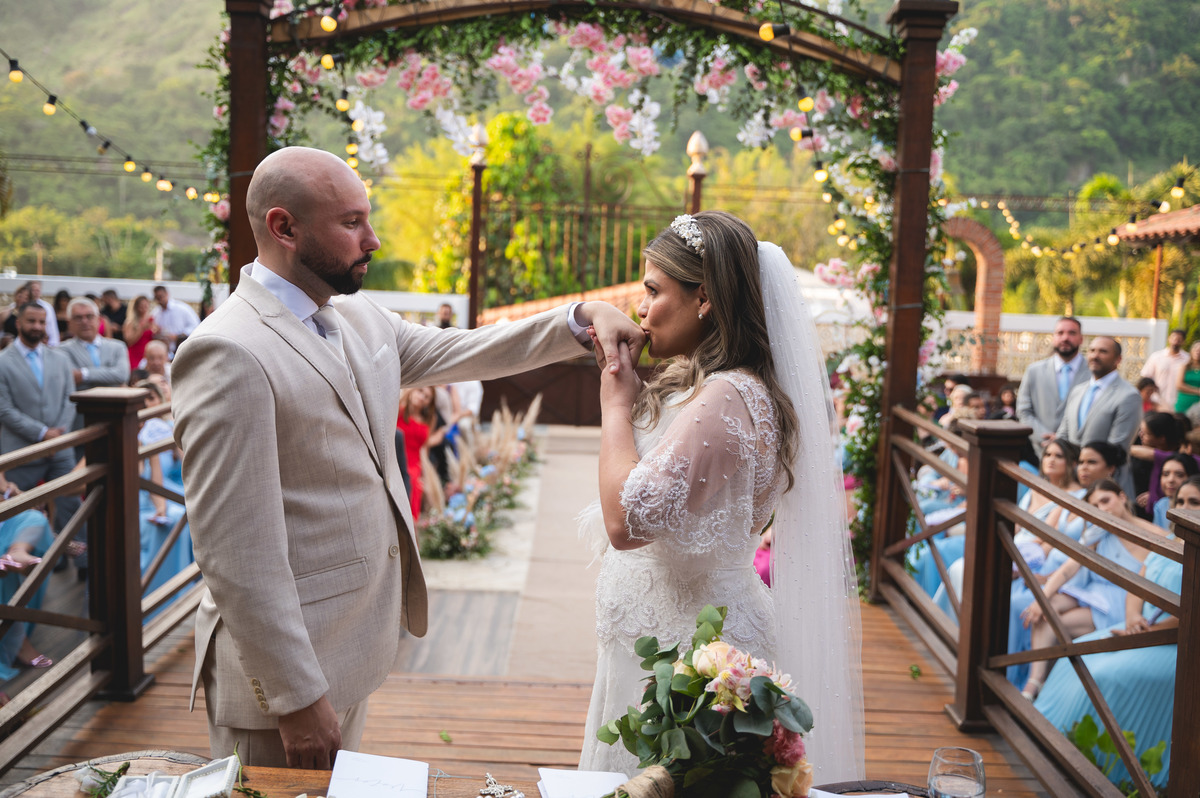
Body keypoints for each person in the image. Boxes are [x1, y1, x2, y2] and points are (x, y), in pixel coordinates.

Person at [171, 145, 644, 769]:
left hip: (350, 647)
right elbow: (235, 550)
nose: (372, 239)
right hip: (280, 682)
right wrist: (295, 696)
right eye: (351, 223)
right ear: (284, 228)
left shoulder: (357, 315)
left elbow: (467, 349)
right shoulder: (227, 351)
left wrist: (579, 318)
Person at [577, 211, 863, 780]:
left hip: (688, 657)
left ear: (704, 298)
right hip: (672, 638)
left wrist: (615, 405)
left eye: (654, 290)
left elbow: (624, 522)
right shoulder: (728, 388)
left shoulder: (728, 395)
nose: (641, 307)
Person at [1018, 480, 1162, 700]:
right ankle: (1036, 681)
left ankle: (1037, 684)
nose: (1101, 509)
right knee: (1046, 606)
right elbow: (1069, 568)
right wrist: (1041, 599)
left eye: (1106, 501)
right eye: (1094, 506)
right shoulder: (1099, 531)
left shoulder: (1155, 534)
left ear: (1122, 497)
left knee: (1049, 621)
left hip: (1121, 599)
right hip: (1092, 590)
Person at [0, 303, 81, 537]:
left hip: (60, 449)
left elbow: (70, 399)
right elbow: (4, 408)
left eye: (42, 322)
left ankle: (77, 553)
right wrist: (42, 433)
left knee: (72, 509)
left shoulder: (60, 358)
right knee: (18, 514)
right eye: (31, 321)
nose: (37, 326)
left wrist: (57, 435)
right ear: (18, 323)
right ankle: (25, 558)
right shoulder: (3, 361)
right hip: (21, 452)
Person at [1056, 336, 1143, 497]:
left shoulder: (1129, 395)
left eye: (1103, 351)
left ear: (1118, 359)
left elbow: (1117, 448)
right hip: (1071, 485)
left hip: (1108, 489)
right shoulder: (1077, 391)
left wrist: (1085, 466)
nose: (1095, 355)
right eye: (1092, 350)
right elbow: (1063, 435)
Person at [1017, 317, 1087, 460]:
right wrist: (1045, 437)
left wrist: (1064, 439)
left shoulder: (1093, 374)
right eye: (1060, 333)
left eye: (1072, 333)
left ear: (1081, 339)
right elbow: (1024, 411)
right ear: (1053, 337)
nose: (1065, 338)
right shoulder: (1034, 371)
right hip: (1040, 452)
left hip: (1080, 454)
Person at [60, 298, 131, 393]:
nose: (84, 322)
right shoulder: (62, 350)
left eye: (89, 316)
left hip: (114, 401)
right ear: (69, 323)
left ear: (98, 320)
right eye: (78, 318)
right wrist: (110, 375)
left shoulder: (118, 347)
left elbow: (122, 375)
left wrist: (84, 374)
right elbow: (71, 378)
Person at [395, 386, 442, 519]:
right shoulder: (398, 410)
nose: (422, 397)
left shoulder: (429, 419)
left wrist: (424, 473)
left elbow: (424, 448)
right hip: (397, 461)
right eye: (420, 391)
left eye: (427, 397)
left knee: (415, 488)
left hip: (415, 465)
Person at [1141, 329, 1189, 411]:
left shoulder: (1187, 359)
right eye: (1173, 338)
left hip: (1179, 402)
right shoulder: (1156, 357)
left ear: (1183, 342)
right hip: (1156, 401)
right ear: (1168, 339)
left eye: (1179, 339)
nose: (1175, 342)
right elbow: (1146, 377)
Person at [150, 286, 200, 355]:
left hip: (182, 349)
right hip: (164, 351)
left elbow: (195, 325)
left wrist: (178, 336)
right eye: (157, 298)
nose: (160, 300)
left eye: (161, 297)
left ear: (167, 294)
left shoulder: (182, 308)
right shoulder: (156, 313)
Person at [124, 296, 158, 371]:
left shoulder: (152, 320)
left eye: (145, 305)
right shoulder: (130, 322)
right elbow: (129, 341)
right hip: (135, 353)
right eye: (141, 306)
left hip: (148, 353)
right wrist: (141, 329)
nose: (144, 308)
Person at [28, 282, 59, 348]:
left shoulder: (47, 307)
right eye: (33, 290)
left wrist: (54, 343)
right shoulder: (23, 305)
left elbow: (52, 326)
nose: (36, 293)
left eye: (38, 290)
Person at [1174, 340, 1200, 416]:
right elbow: (1179, 385)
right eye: (1196, 349)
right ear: (1191, 351)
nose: (1198, 352)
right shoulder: (1184, 366)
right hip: (1183, 402)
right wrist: (1197, 391)